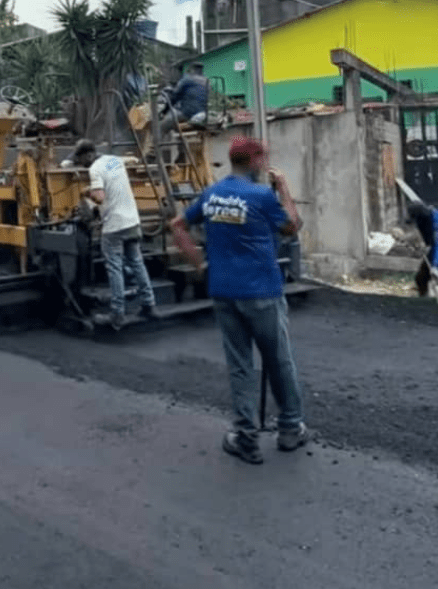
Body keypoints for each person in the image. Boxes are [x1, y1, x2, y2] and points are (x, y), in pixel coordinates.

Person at [170, 136, 311, 465]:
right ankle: (290, 428)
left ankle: (245, 436)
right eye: (264, 158)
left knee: (240, 366)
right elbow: (292, 226)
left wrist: (200, 265)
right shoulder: (262, 195)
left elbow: (177, 225)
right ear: (257, 160)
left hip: (223, 292)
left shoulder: (211, 194)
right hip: (261, 292)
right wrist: (284, 188)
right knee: (278, 360)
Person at [70, 139, 156, 330]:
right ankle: (149, 304)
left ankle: (117, 314)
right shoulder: (114, 160)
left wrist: (87, 193)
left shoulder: (95, 169)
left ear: (89, 155)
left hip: (115, 226)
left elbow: (99, 197)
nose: (81, 162)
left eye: (81, 158)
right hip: (132, 220)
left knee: (115, 267)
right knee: (137, 262)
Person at [160, 62, 209, 135]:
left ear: (192, 69)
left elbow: (174, 96)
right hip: (202, 113)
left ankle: (157, 144)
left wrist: (164, 111)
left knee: (164, 124)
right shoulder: (206, 81)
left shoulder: (187, 79)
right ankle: (181, 143)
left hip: (188, 113)